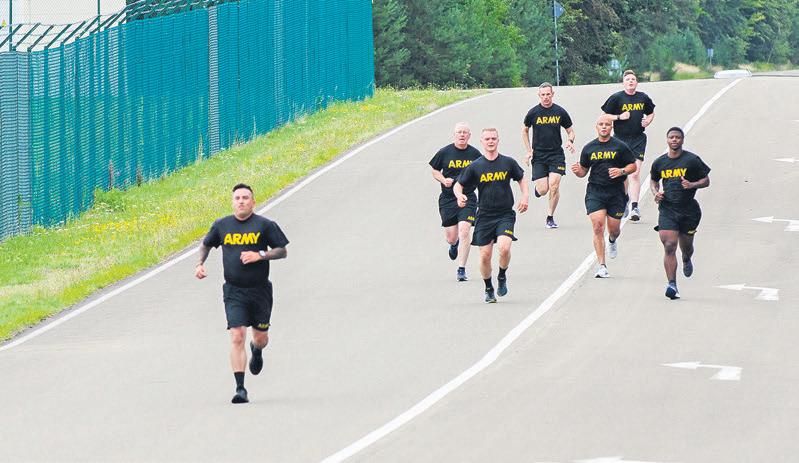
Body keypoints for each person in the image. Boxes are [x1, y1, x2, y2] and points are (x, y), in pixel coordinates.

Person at [195, 183, 289, 404]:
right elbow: (206, 244)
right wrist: (199, 264)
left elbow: (282, 251)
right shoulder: (222, 225)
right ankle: (240, 389)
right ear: (232, 202)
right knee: (237, 335)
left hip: (260, 291)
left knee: (261, 338)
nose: (241, 201)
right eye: (237, 198)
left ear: (253, 202)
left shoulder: (265, 225)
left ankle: (257, 349)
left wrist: (260, 255)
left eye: (245, 198)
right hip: (234, 291)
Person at [454, 128, 529, 303]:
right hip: (484, 216)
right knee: (485, 256)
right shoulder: (476, 166)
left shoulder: (508, 162)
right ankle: (488, 288)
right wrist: (459, 196)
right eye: (487, 139)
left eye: (493, 138)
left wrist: (525, 196)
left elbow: (521, 178)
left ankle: (502, 275)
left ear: (498, 140)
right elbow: (458, 184)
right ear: (482, 141)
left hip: (505, 214)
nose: (490, 141)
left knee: (504, 247)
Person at [571, 115, 637, 278]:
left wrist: (621, 171)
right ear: (596, 127)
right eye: (601, 124)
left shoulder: (620, 146)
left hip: (616, 192)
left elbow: (633, 166)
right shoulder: (589, 148)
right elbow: (584, 171)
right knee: (598, 226)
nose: (604, 127)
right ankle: (602, 266)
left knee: (614, 230)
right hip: (596, 191)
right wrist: (578, 172)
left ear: (611, 127)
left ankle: (612, 240)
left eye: (607, 124)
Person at [650, 127, 711, 299]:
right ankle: (672, 285)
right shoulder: (660, 162)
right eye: (671, 137)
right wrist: (656, 193)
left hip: (689, 211)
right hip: (668, 209)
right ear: (667, 140)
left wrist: (692, 185)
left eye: (677, 137)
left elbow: (706, 180)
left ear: (682, 140)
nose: (674, 140)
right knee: (669, 245)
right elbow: (654, 181)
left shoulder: (692, 160)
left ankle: (686, 258)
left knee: (687, 247)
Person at [429, 122, 482, 281]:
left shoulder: (475, 154)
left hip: (467, 197)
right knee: (452, 237)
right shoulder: (445, 152)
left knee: (465, 230)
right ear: (454, 135)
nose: (462, 135)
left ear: (469, 136)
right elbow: (434, 170)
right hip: (448, 199)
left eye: (465, 132)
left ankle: (461, 269)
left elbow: (483, 172)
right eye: (459, 132)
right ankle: (454, 244)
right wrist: (443, 179)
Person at [601, 69, 656, 221]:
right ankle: (624, 199)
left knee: (635, 173)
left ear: (636, 82)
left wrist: (648, 120)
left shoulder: (643, 98)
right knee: (623, 174)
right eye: (628, 79)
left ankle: (635, 207)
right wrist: (619, 116)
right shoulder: (616, 98)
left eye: (633, 79)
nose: (631, 81)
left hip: (638, 139)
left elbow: (651, 112)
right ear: (623, 83)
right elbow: (604, 117)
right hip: (620, 140)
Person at [522, 82, 576, 229]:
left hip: (556, 154)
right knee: (543, 189)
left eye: (548, 94)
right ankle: (539, 190)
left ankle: (550, 217)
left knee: (554, 185)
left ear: (552, 94)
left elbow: (571, 131)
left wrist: (570, 141)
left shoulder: (560, 112)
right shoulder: (533, 113)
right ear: (539, 95)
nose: (546, 97)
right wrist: (529, 151)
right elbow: (525, 130)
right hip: (539, 156)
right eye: (543, 95)